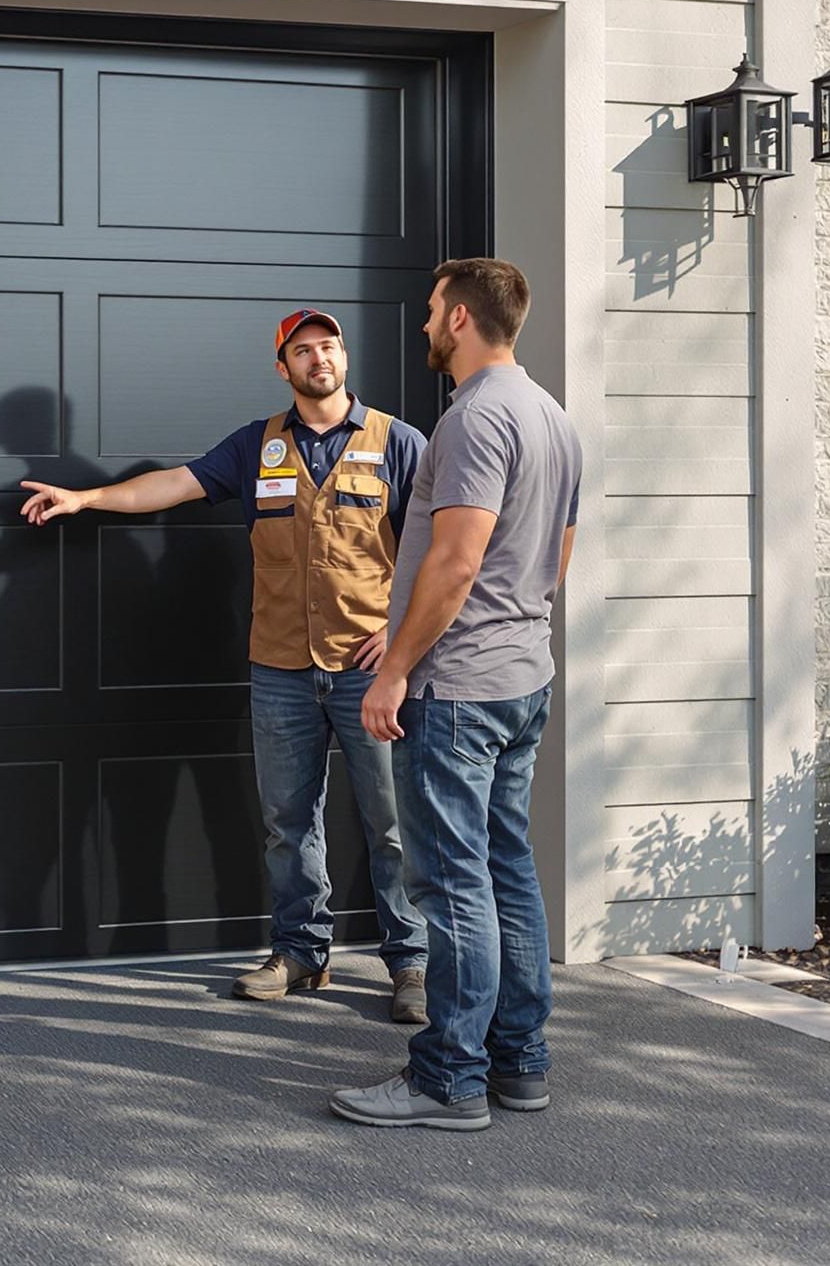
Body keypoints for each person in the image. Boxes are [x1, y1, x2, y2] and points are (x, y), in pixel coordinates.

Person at [18, 309, 430, 1024]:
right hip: (279, 667)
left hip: (370, 668)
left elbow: (443, 542)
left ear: (344, 356)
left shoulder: (399, 442)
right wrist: (86, 498)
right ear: (284, 368)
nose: (319, 359)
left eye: (328, 346)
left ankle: (413, 963)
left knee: (392, 823)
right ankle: (303, 954)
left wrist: (401, 638)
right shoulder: (256, 447)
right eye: (303, 351)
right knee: (287, 821)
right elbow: (172, 485)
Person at [330, 258, 581, 1134]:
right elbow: (555, 556)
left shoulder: (475, 418)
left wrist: (397, 668)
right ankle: (520, 1061)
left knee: (452, 882)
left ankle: (449, 1077)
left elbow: (458, 558)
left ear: (464, 318)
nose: (426, 324)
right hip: (521, 675)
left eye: (434, 310)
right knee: (508, 868)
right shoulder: (551, 417)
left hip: (460, 689)